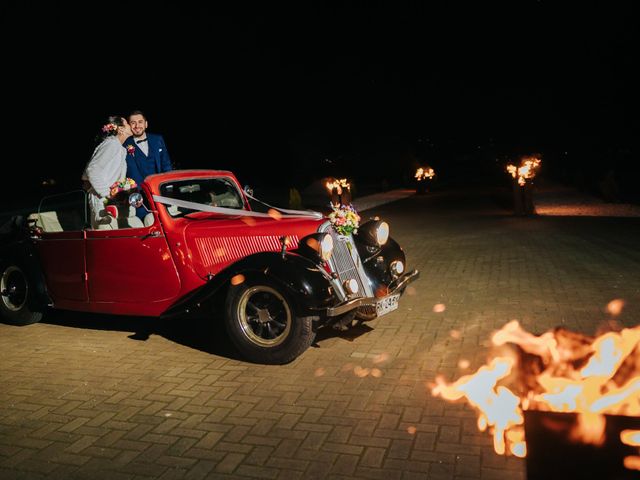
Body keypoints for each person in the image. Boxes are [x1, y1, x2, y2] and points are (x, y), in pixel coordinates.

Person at [82, 116, 132, 229]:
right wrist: (106, 193)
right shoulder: (111, 144)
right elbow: (92, 169)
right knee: (104, 235)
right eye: (127, 123)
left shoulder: (120, 148)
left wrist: (120, 192)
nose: (131, 125)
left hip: (111, 200)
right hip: (101, 199)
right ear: (120, 129)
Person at [123, 110, 173, 218]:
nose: (137, 126)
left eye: (140, 122)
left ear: (146, 124)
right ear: (129, 126)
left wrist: (169, 188)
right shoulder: (124, 145)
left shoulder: (157, 139)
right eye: (133, 123)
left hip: (161, 192)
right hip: (138, 197)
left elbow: (166, 164)